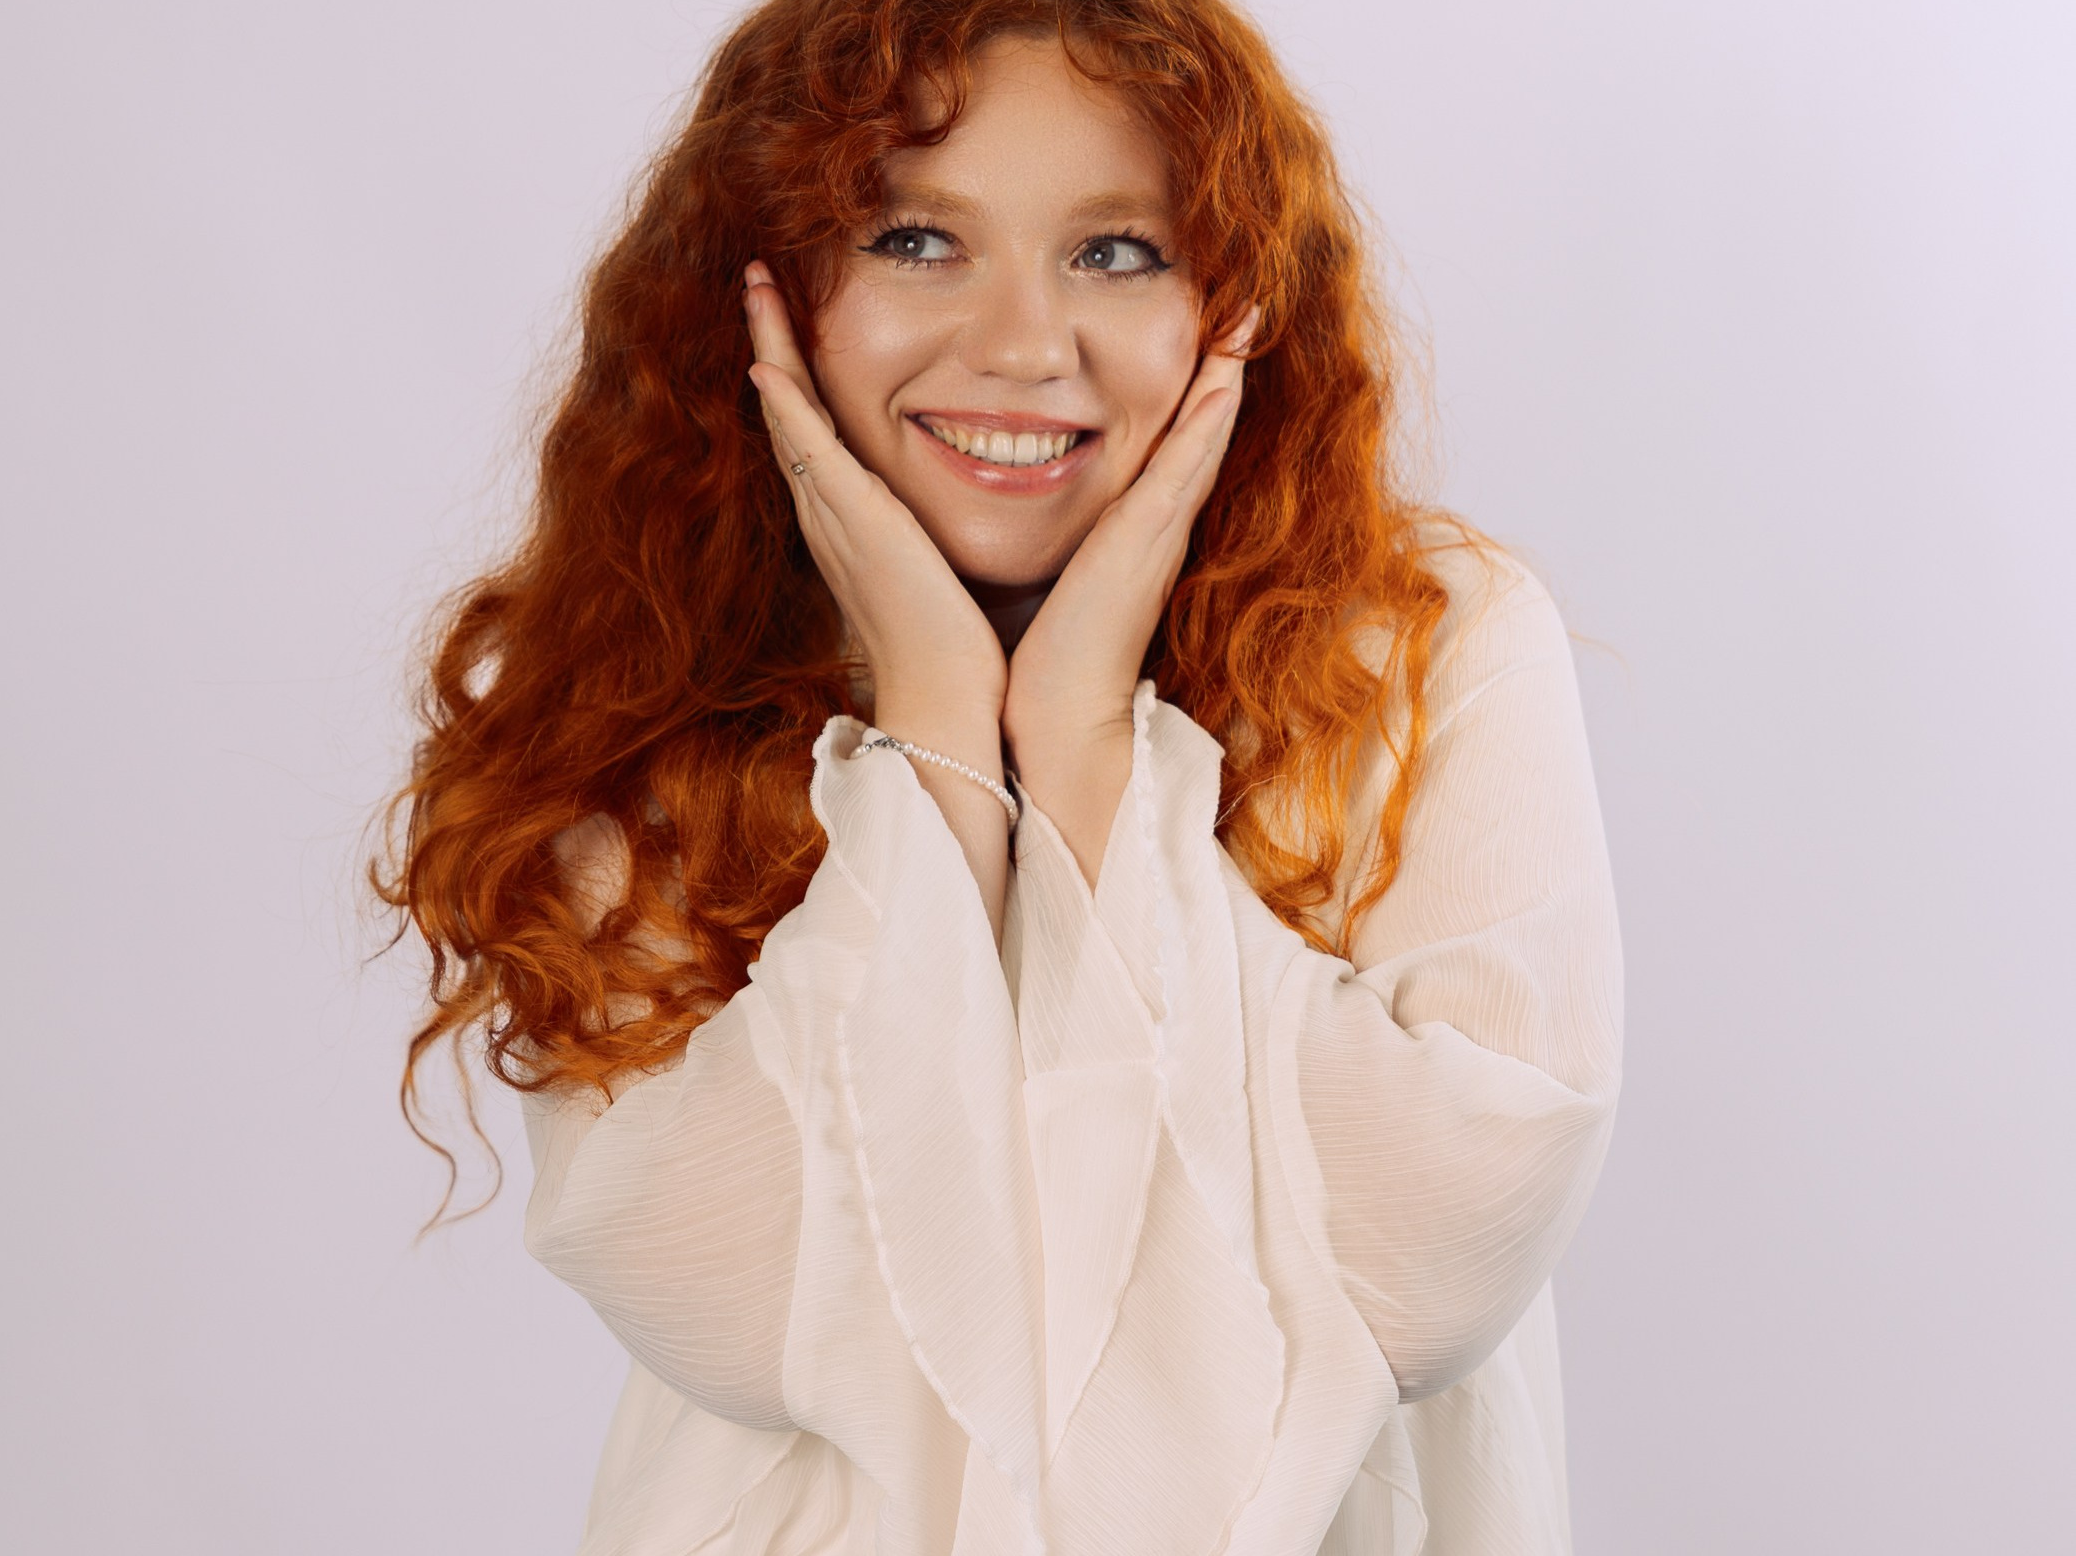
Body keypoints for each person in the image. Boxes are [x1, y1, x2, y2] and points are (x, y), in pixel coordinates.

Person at [378, 1, 1623, 1550]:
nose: (1026, 345)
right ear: (765, 293)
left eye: (1117, 251)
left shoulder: (1425, 647)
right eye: (912, 240)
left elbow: (1437, 1260)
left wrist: (1091, 741)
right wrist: (938, 735)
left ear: (1235, 301)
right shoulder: (640, 673)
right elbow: (742, 1303)